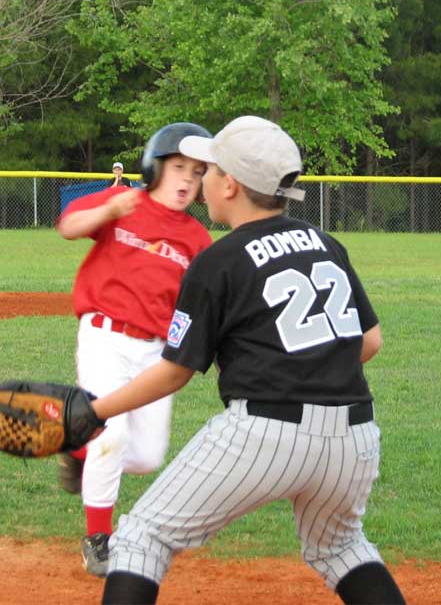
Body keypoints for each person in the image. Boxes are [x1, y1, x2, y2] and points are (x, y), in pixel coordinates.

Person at [87, 116, 407, 605]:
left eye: (208, 171)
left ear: (230, 185)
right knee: (341, 547)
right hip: (356, 436)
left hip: (266, 431)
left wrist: (94, 411)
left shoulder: (218, 260)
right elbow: (370, 341)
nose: (200, 180)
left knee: (140, 539)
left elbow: (175, 371)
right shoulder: (326, 244)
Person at [55, 123, 214, 577]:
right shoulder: (124, 201)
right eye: (179, 167)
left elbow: (201, 305)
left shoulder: (197, 240)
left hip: (155, 354)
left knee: (146, 458)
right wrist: (109, 210)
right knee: (113, 436)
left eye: (197, 172)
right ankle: (98, 540)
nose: (187, 179)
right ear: (154, 166)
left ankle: (79, 446)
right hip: (104, 336)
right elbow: (68, 226)